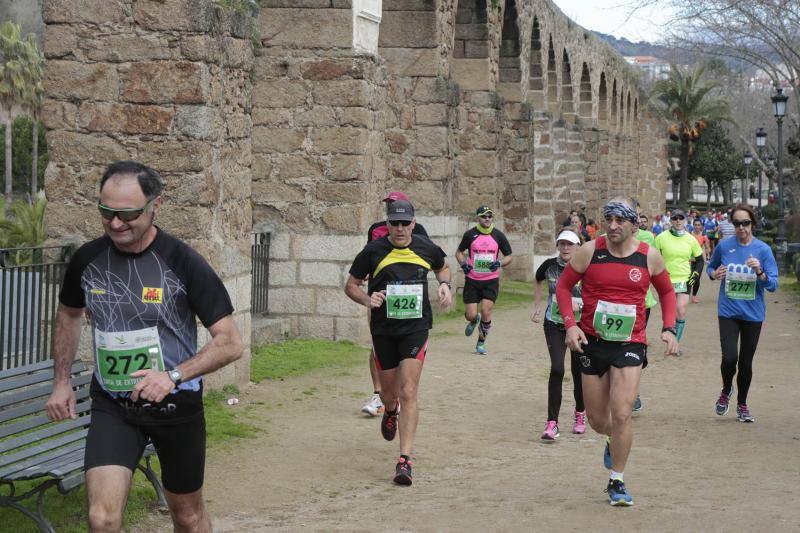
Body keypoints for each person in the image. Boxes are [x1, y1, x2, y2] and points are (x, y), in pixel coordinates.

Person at [45, 161, 244, 532]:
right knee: (102, 519)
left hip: (175, 405)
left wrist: (172, 376)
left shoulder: (183, 262)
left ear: (155, 206)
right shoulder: (88, 260)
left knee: (187, 516)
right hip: (113, 404)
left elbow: (230, 343)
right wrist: (60, 382)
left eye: (127, 214)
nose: (116, 223)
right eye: (107, 212)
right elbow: (70, 315)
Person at [555, 197, 679, 506]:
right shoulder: (589, 251)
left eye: (619, 220)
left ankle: (617, 480)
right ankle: (612, 438)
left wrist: (669, 327)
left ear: (633, 224)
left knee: (622, 412)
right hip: (592, 342)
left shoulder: (648, 257)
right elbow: (563, 287)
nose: (612, 226)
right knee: (599, 420)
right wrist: (571, 325)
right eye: (608, 219)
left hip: (630, 342)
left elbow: (666, 291)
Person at [345, 199, 452, 485]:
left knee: (408, 389)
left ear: (414, 224)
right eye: (395, 223)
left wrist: (445, 285)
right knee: (389, 394)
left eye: (405, 223)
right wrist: (369, 299)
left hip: (415, 329)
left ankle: (404, 460)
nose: (400, 228)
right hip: (384, 331)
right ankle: (390, 411)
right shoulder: (373, 251)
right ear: (388, 224)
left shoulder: (425, 247)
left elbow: (443, 267)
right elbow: (351, 286)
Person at [707, 204, 778, 423]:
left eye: (745, 223)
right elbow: (710, 267)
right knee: (729, 358)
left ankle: (742, 404)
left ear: (753, 224)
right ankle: (726, 390)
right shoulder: (725, 246)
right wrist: (714, 273)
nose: (741, 228)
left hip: (753, 314)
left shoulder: (763, 250)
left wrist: (759, 271)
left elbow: (773, 285)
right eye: (736, 223)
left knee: (745, 363)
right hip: (728, 311)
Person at [360, 192, 429, 417]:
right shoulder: (375, 229)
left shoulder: (417, 231)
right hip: (380, 299)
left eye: (396, 205)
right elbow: (369, 257)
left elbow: (430, 258)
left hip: (410, 305)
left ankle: (395, 393)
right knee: (376, 344)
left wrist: (443, 284)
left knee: (404, 360)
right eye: (389, 206)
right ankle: (378, 392)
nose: (399, 225)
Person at [532, 230, 585, 440]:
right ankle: (552, 423)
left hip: (579, 325)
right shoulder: (549, 266)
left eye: (569, 245)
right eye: (562, 244)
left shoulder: (585, 268)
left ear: (577, 247)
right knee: (557, 368)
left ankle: (580, 413)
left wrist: (582, 305)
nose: (565, 248)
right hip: (554, 323)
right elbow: (537, 279)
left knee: (578, 370)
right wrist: (537, 304)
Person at [455, 206, 513, 355]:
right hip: (473, 280)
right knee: (470, 314)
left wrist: (499, 263)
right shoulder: (470, 235)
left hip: (490, 280)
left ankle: (481, 342)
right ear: (478, 218)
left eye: (489, 216)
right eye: (483, 216)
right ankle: (474, 320)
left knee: (486, 310)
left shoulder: (498, 235)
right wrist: (463, 265)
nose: (487, 219)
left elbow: (509, 256)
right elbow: (459, 253)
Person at [654, 208, 704, 351]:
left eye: (680, 218)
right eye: (675, 218)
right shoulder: (661, 238)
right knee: (669, 311)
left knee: (681, 310)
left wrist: (695, 275)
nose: (677, 221)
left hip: (684, 279)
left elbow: (700, 260)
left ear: (685, 220)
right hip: (666, 280)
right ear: (671, 220)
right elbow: (653, 256)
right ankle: (668, 335)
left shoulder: (690, 239)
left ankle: (675, 344)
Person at [690, 219, 711, 304]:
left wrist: (707, 251)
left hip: (699, 261)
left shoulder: (704, 236)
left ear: (701, 226)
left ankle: (694, 296)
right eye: (695, 225)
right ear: (693, 225)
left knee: (696, 278)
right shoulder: (689, 235)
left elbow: (708, 248)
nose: (697, 227)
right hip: (689, 260)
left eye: (699, 225)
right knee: (685, 277)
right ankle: (681, 294)